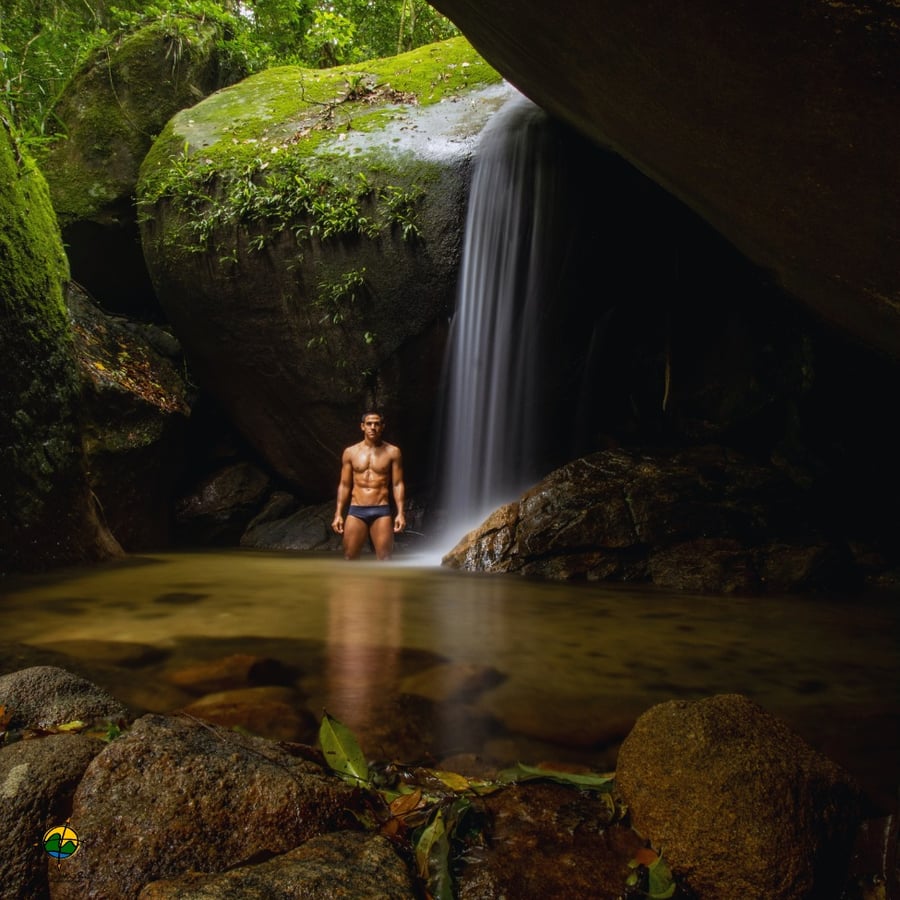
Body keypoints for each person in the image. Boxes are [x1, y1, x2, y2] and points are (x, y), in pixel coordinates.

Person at [332, 411, 406, 560]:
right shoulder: (350, 452)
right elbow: (345, 485)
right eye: (369, 424)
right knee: (349, 557)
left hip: (381, 510)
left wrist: (400, 513)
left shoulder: (393, 452)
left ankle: (382, 584)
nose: (373, 427)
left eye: (377, 424)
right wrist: (338, 513)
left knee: (385, 559)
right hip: (356, 510)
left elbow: (397, 484)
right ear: (362, 427)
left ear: (382, 427)